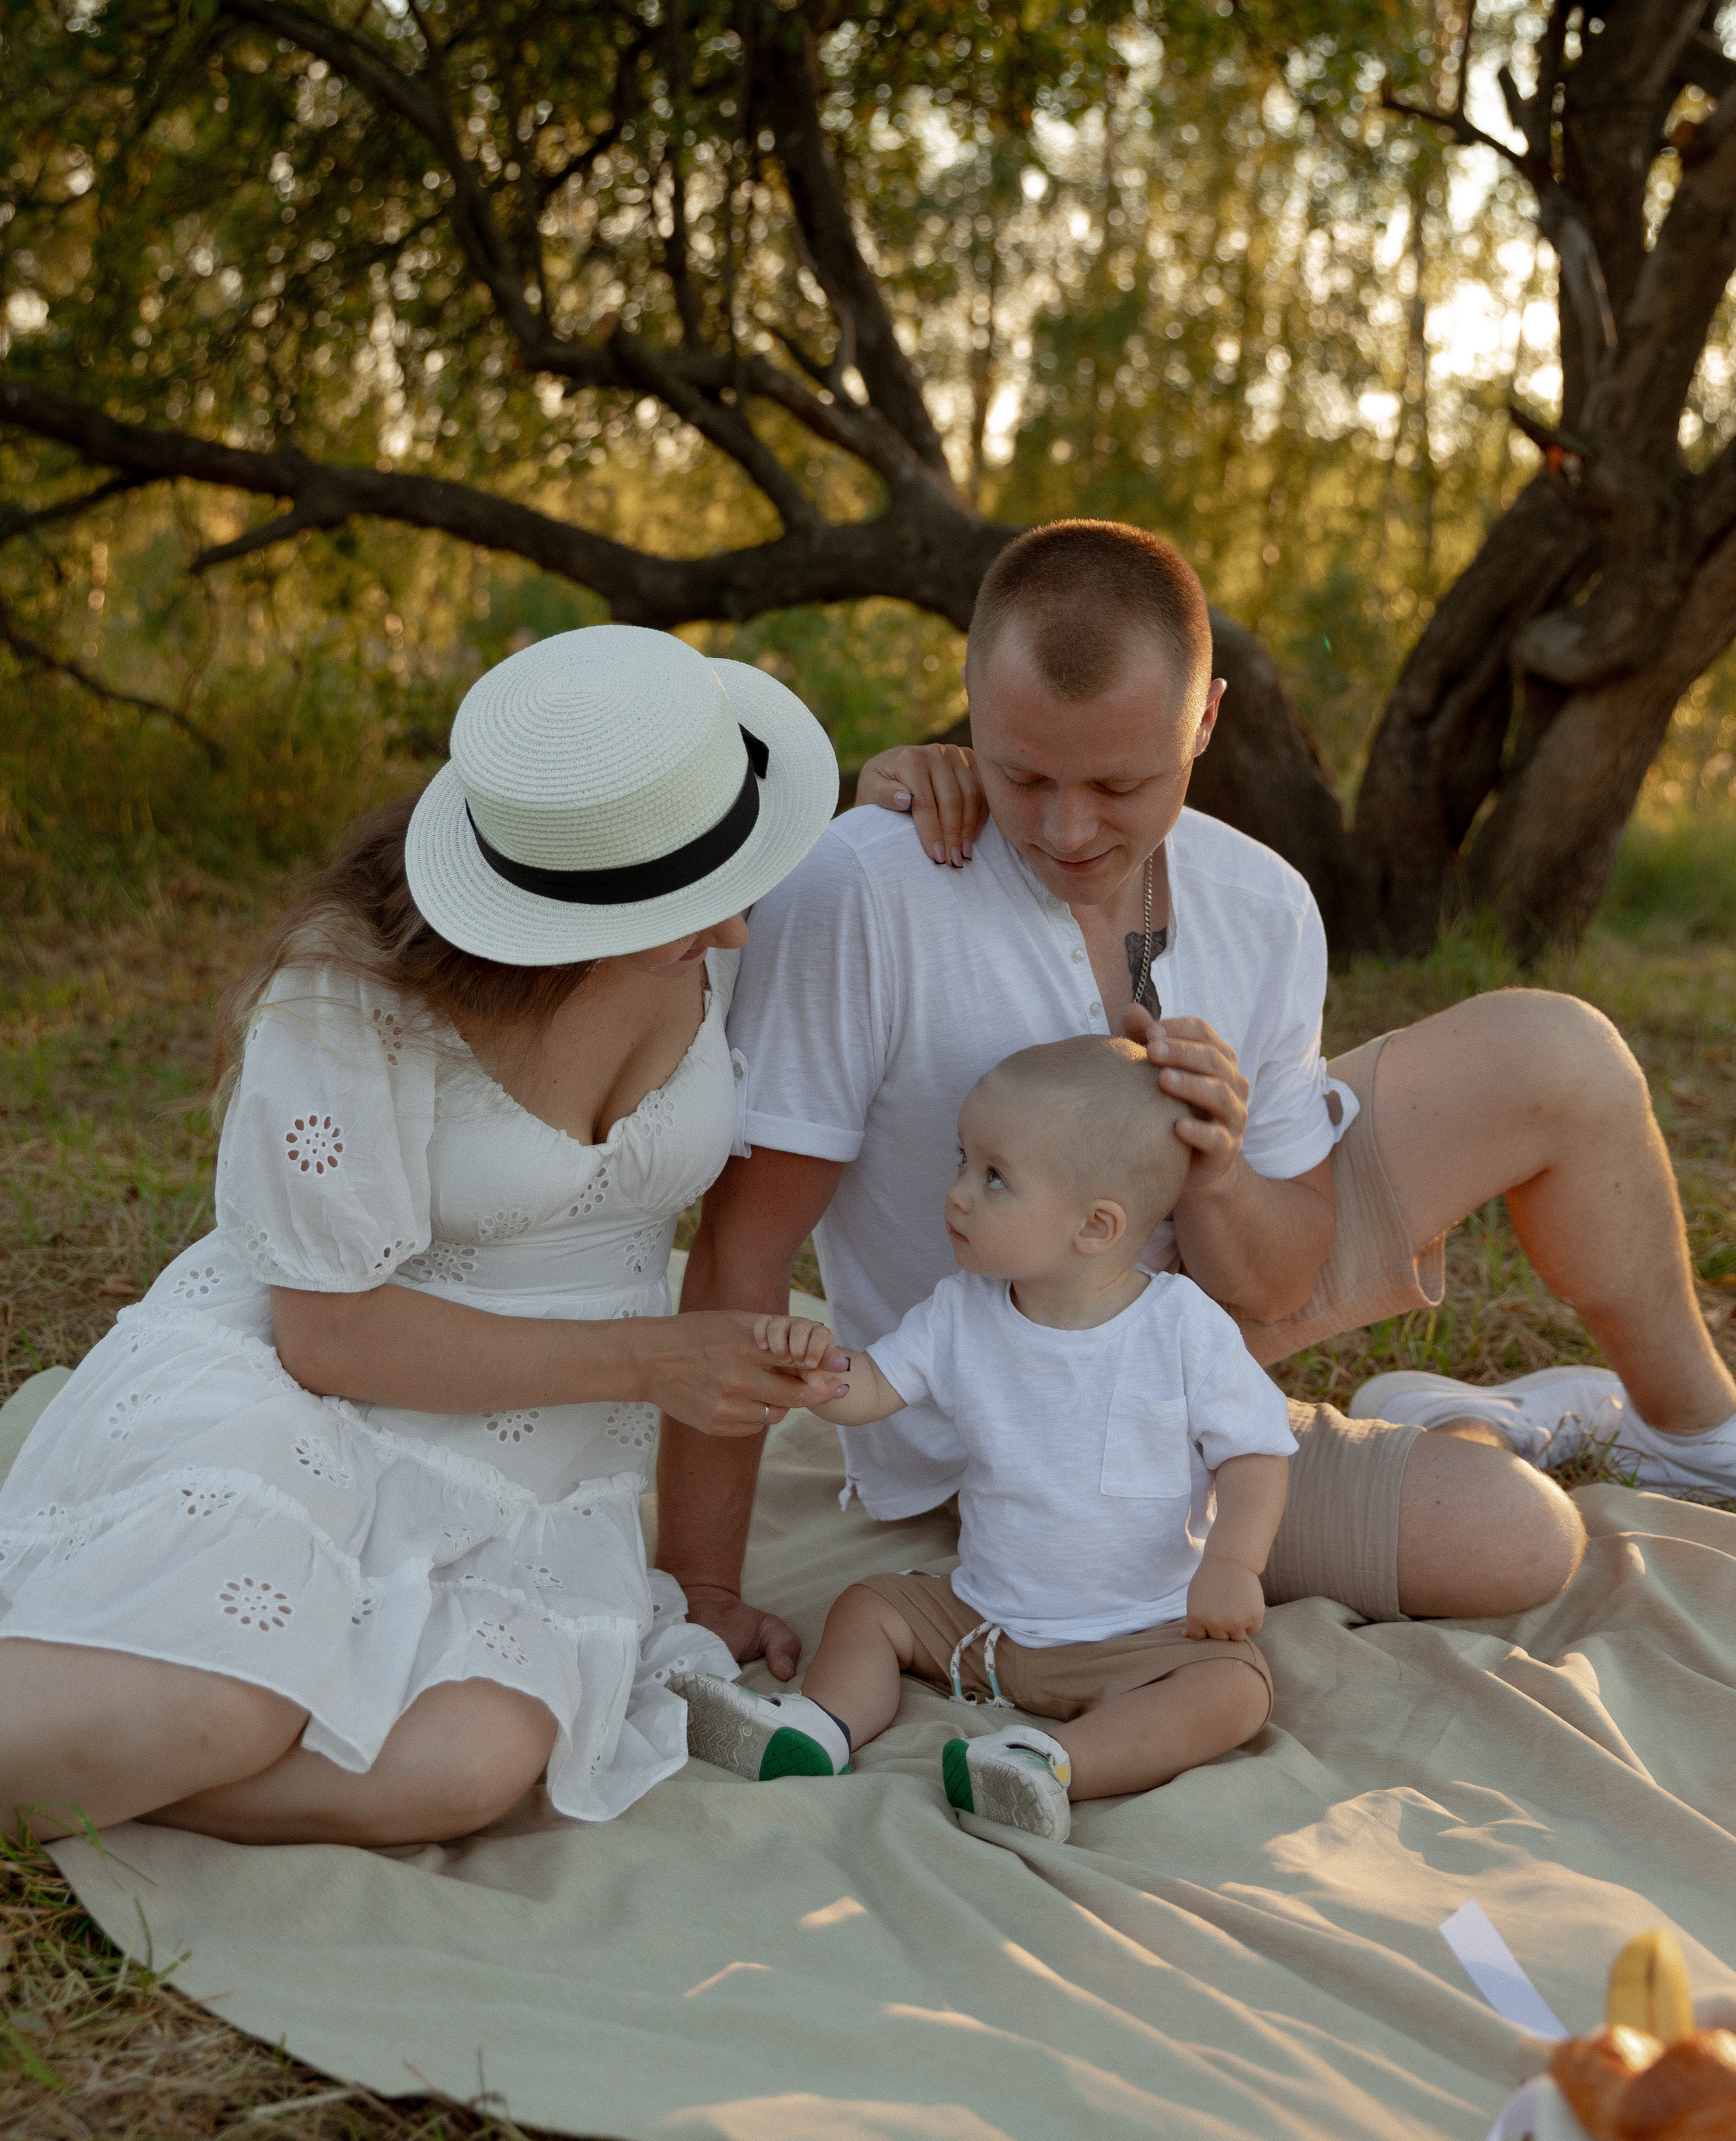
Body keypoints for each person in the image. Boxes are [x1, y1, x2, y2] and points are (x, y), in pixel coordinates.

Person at [658, 520, 1736, 1685]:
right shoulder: (864, 889)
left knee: (1556, 1053)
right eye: (1022, 773)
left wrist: (1218, 1165)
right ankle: (1474, 1427)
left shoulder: (1262, 901)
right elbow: (740, 1251)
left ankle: (1695, 1436)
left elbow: (1268, 1284)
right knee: (1518, 1540)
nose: (1069, 831)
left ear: (1207, 721)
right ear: (968, 709)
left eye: (1122, 783)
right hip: (1031, 1417)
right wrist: (703, 1592)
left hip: (1197, 1323)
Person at [0, 626, 852, 1849]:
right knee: (225, 1706)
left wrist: (949, 771)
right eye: (684, 914)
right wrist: (656, 1361)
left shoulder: (717, 920)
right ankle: (130, 1721)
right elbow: (328, 1337)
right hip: (322, 1389)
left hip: (548, 1469)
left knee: (463, 1771)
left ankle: (101, 1750)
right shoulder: (352, 989)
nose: (730, 940)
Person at [672, 1036, 1295, 1844]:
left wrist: (1232, 1565)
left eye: (993, 1177)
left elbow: (1254, 1453)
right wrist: (817, 1370)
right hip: (982, 1622)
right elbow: (873, 1388)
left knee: (1233, 1693)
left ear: (1096, 1226)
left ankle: (1046, 1762)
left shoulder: (1180, 1327)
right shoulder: (961, 1312)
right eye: (962, 1163)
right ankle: (820, 1728)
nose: (958, 1196)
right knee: (869, 1607)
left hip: (1140, 1635)